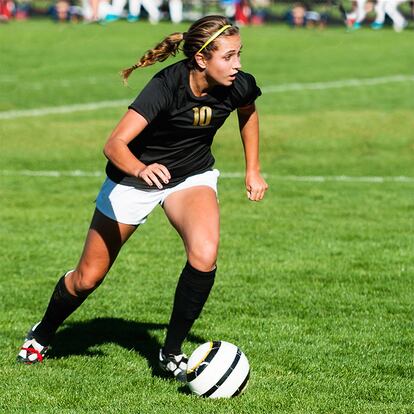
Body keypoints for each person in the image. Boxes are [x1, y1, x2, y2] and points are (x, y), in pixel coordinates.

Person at [17, 15, 268, 381]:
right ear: (201, 59)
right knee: (87, 278)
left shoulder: (237, 85)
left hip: (190, 176)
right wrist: (140, 169)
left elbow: (248, 114)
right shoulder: (166, 87)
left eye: (239, 54)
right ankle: (42, 333)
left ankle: (172, 353)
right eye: (228, 57)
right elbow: (113, 144)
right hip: (133, 179)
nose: (238, 65)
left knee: (204, 254)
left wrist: (253, 169)